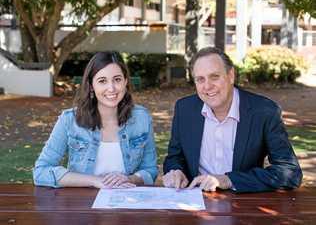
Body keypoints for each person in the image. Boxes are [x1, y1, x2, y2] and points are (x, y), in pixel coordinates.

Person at [163, 47, 302, 193]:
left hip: (242, 202)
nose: (207, 86)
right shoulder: (185, 109)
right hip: (195, 200)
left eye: (214, 77)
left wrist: (229, 180)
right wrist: (176, 171)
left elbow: (290, 172)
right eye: (200, 79)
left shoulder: (264, 111)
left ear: (231, 75)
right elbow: (174, 157)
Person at [33, 51, 158, 189]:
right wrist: (95, 181)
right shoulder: (69, 120)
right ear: (91, 86)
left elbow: (150, 170)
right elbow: (41, 171)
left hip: (126, 202)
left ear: (125, 82)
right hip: (82, 204)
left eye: (117, 79)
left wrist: (130, 179)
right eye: (102, 81)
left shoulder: (141, 118)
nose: (111, 88)